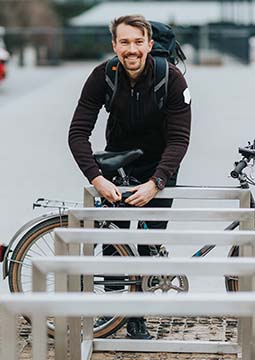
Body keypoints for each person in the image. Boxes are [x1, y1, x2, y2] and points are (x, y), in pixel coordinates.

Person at [68, 15, 191, 339]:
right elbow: (78, 132)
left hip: (159, 166)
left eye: (138, 42)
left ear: (150, 44)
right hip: (116, 164)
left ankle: (137, 317)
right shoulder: (103, 75)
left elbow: (179, 139)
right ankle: (113, 311)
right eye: (124, 42)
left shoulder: (172, 78)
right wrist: (97, 178)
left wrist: (157, 183)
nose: (131, 49)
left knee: (148, 242)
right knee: (113, 241)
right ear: (114, 45)